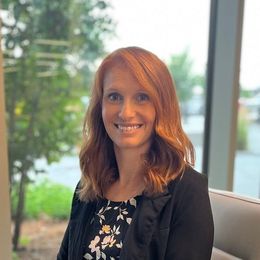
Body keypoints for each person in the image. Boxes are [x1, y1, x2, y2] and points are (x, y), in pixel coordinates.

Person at [57, 46, 214, 260]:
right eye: (114, 96)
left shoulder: (188, 191)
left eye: (142, 97)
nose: (125, 112)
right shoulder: (89, 186)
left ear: (162, 106)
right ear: (100, 106)